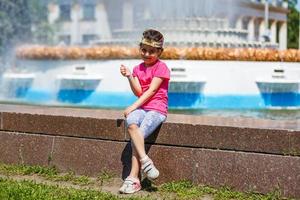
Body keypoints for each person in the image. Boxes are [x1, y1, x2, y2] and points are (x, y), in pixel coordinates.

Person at [119, 29, 170, 194]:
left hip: (157, 109)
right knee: (131, 122)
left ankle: (133, 178)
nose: (147, 54)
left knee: (137, 135)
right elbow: (139, 92)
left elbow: (152, 92)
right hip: (143, 107)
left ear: (159, 52)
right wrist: (129, 77)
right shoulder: (138, 68)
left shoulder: (162, 68)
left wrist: (133, 106)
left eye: (152, 51)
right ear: (140, 48)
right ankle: (146, 160)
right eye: (144, 50)